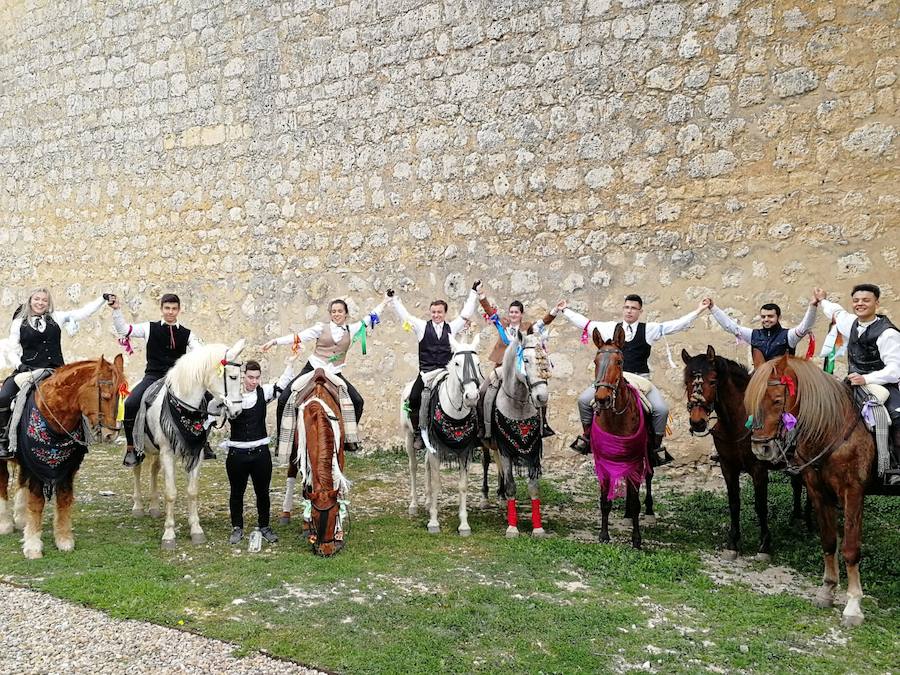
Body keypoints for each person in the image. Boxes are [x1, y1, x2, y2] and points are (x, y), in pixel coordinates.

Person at [556, 294, 710, 462]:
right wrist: (565, 310)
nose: (629, 311)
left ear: (640, 311)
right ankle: (587, 438)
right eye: (627, 307)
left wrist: (699, 310)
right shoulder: (609, 327)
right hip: (612, 380)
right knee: (583, 401)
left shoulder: (649, 329)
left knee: (661, 410)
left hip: (640, 379)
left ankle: (656, 449)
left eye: (634, 308)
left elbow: (676, 325)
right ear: (623, 309)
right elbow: (586, 323)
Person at [0, 288, 113, 459]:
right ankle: (3, 441)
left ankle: (81, 439)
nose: (40, 303)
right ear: (30, 301)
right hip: (28, 370)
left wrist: (102, 299)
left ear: (48, 303)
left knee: (78, 396)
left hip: (57, 371)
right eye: (37, 299)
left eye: (44, 300)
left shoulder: (57, 317)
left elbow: (83, 313)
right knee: (3, 397)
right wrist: (19, 365)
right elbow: (11, 349)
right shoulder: (19, 323)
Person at [262, 296, 387, 451]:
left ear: (346, 314)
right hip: (313, 368)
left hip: (334, 373)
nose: (336, 314)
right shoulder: (321, 328)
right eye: (333, 311)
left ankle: (348, 439)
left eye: (340, 311)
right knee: (284, 398)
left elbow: (371, 316)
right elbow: (299, 337)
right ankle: (282, 441)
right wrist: (274, 341)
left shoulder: (352, 329)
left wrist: (385, 301)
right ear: (330, 314)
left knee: (358, 401)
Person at [816, 284, 900, 484]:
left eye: (866, 300)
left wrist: (867, 379)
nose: (860, 304)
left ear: (877, 303)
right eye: (856, 300)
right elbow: (835, 311)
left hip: (883, 384)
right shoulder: (850, 323)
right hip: (853, 384)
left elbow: (895, 369)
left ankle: (894, 466)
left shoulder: (888, 333)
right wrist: (822, 299)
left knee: (896, 418)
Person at [112, 293, 205, 467]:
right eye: (167, 308)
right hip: (153, 377)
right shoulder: (149, 328)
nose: (170, 312)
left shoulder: (187, 334)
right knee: (130, 403)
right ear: (161, 309)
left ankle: (202, 442)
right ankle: (132, 448)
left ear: (179, 310)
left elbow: (200, 352)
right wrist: (116, 309)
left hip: (177, 379)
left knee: (205, 399)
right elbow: (124, 330)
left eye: (174, 308)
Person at [390, 281, 481, 449]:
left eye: (439, 312)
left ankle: (473, 432)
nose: (436, 315)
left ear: (445, 313)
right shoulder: (422, 327)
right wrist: (394, 300)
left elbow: (466, 314)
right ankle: (418, 432)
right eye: (433, 312)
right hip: (426, 373)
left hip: (446, 373)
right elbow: (406, 317)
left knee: (471, 392)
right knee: (414, 398)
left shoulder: (451, 327)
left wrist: (473, 293)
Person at [223, 357, 295, 545]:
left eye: (257, 377)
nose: (254, 381)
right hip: (237, 454)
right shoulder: (230, 397)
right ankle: (237, 527)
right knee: (236, 493)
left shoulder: (264, 393)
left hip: (260, 453)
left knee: (262, 492)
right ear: (243, 377)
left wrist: (289, 363)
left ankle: (264, 526)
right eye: (250, 377)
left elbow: (283, 384)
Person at [477, 287, 557, 436]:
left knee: (540, 389)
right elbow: (490, 311)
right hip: (503, 368)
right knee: (483, 391)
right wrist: (482, 296)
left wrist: (555, 311)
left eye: (516, 312)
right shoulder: (503, 325)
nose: (513, 315)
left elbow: (543, 322)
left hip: (523, 368)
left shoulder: (528, 327)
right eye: (511, 312)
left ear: (521, 314)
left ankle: (543, 424)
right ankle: (484, 427)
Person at [706, 292, 819, 361]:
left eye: (770, 316)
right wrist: (713, 308)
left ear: (778, 317)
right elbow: (730, 327)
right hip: (759, 380)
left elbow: (804, 327)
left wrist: (813, 306)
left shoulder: (789, 336)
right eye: (763, 316)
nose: (766, 319)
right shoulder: (753, 335)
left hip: (784, 383)